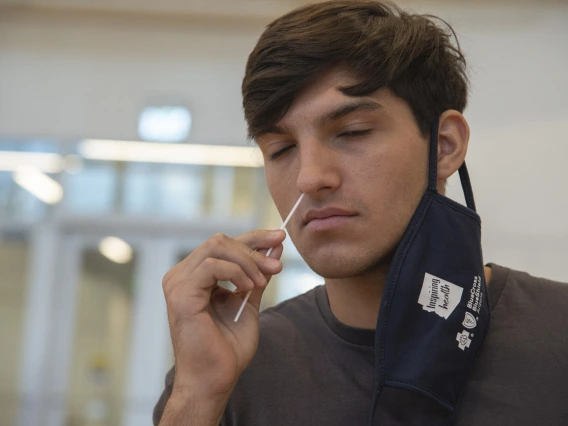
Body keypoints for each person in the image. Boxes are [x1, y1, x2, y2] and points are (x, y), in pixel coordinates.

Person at [153, 2, 568, 425]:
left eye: (352, 133)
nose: (310, 178)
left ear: (444, 145)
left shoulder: (558, 335)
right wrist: (198, 394)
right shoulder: (232, 373)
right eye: (282, 149)